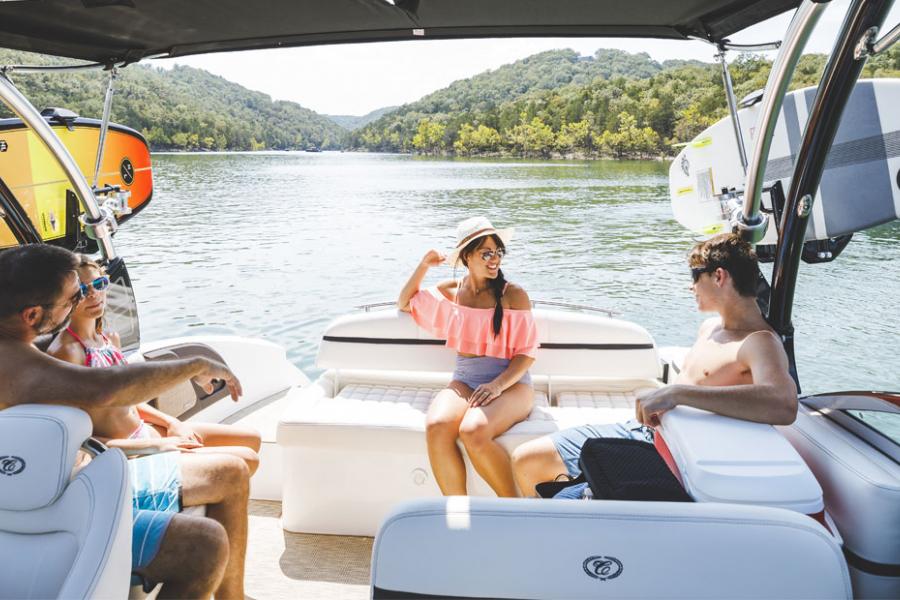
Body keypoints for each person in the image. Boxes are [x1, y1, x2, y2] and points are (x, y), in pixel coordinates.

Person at [0, 244, 246, 599]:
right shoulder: (18, 363)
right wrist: (196, 365)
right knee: (203, 545)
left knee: (225, 486)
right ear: (32, 316)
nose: (83, 300)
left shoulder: (23, 354)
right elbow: (106, 390)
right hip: (51, 514)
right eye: (74, 297)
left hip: (40, 500)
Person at [511, 233, 799, 497]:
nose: (691, 286)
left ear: (719, 276)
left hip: (669, 454)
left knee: (555, 488)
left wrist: (677, 394)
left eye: (695, 275)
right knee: (527, 459)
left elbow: (783, 403)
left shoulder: (759, 342)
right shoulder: (710, 328)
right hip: (643, 431)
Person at [48, 254, 261, 473]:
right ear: (65, 297)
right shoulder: (67, 352)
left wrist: (171, 423)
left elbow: (126, 400)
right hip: (125, 455)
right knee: (246, 460)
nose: (94, 294)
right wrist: (157, 445)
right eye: (83, 290)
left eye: (99, 284)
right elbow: (74, 437)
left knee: (251, 439)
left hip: (144, 431)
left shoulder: (109, 339)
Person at [398, 216, 538, 497]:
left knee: (473, 430)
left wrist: (498, 385)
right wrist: (424, 265)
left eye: (498, 252)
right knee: (437, 426)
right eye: (486, 253)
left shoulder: (514, 294)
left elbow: (527, 353)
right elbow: (404, 302)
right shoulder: (453, 292)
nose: (494, 259)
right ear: (466, 257)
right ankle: (459, 515)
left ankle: (513, 507)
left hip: (513, 384)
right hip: (465, 380)